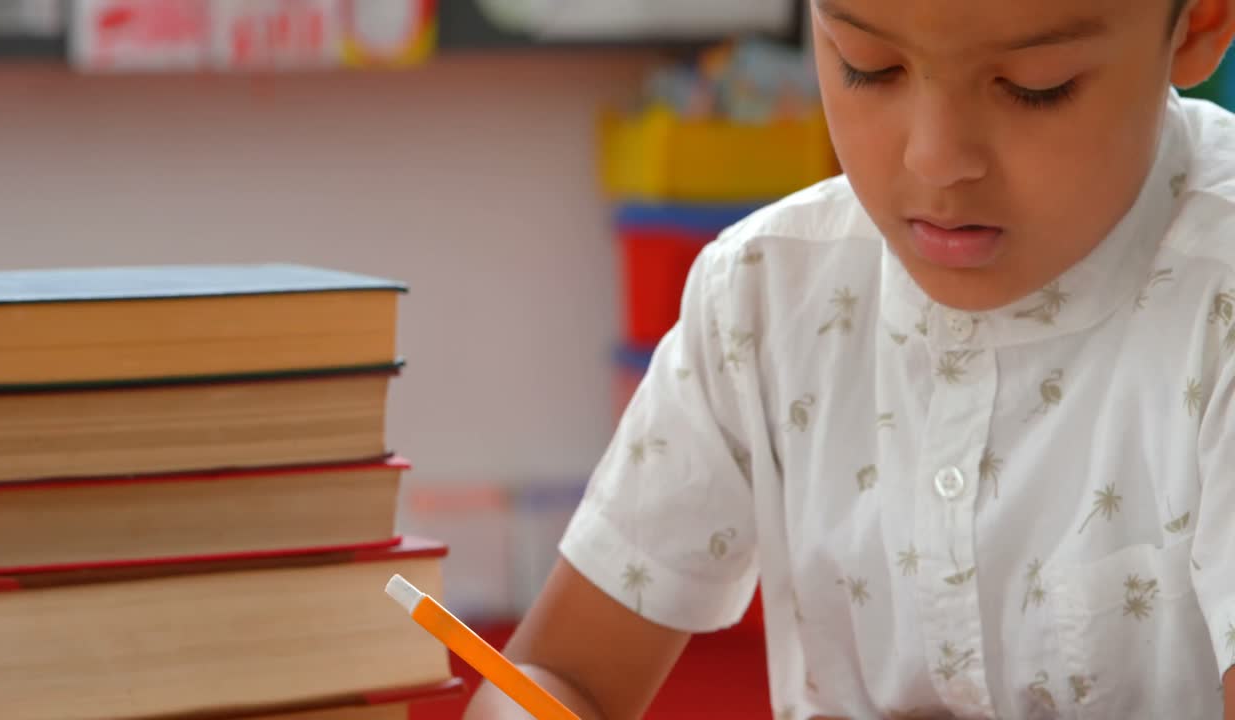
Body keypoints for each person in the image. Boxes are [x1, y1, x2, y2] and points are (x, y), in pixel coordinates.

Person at [466, 0, 1235, 717]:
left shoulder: (1216, 299)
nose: (935, 160)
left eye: (1036, 86)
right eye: (869, 65)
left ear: (1198, 22)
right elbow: (560, 674)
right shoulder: (765, 295)